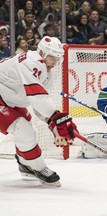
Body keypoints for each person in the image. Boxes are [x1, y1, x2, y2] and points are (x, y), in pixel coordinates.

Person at [0, 36, 78, 187]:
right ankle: (39, 168)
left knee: (29, 128)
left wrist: (56, 127)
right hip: (3, 98)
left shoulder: (47, 71)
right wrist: (58, 118)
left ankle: (25, 164)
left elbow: (39, 106)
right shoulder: (31, 61)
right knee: (23, 130)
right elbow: (37, 97)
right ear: (42, 53)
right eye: (52, 57)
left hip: (7, 99)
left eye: (58, 57)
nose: (56, 62)